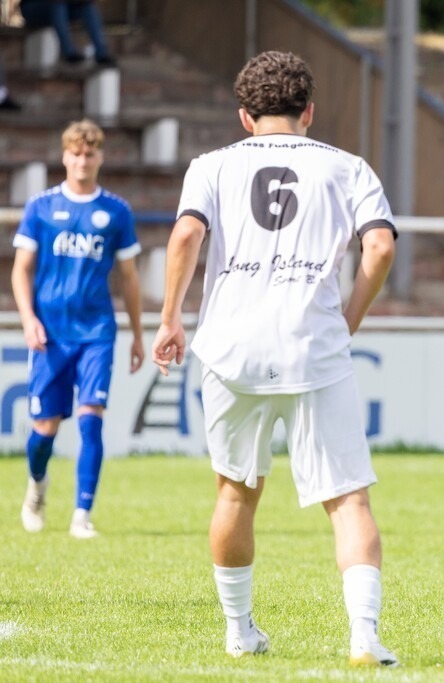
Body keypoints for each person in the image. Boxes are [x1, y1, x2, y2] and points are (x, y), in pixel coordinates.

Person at [151, 51, 399, 666]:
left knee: (235, 493)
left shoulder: (211, 165)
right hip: (313, 346)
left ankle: (240, 631)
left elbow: (185, 235)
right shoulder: (348, 168)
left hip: (231, 347)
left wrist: (169, 318)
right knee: (348, 500)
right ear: (309, 111)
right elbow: (381, 245)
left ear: (244, 116)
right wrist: (351, 316)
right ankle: (364, 636)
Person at [13, 119, 144, 539]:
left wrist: (139, 334)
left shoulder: (117, 212)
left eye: (90, 153)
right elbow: (21, 271)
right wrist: (28, 319)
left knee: (90, 420)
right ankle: (37, 484)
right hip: (49, 334)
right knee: (43, 431)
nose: (83, 160)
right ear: (64, 156)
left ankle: (81, 515)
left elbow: (129, 277)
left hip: (97, 332)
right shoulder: (42, 208)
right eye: (76, 153)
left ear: (100, 157)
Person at [18, 0, 116, 65]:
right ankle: (69, 53)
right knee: (59, 3)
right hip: (32, 7)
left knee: (87, 5)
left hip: (62, 8)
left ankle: (101, 53)